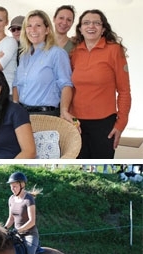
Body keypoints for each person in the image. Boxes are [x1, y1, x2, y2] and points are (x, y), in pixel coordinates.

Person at [70, 9, 131, 159]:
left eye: (96, 23)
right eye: (86, 23)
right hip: (76, 123)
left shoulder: (114, 50)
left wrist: (120, 124)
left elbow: (124, 91)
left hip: (104, 123)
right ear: (80, 29)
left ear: (103, 29)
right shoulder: (74, 52)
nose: (91, 26)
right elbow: (68, 87)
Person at [13, 10, 73, 118]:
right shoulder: (24, 56)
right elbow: (16, 84)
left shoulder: (57, 53)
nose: (33, 30)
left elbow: (66, 85)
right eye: (29, 26)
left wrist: (64, 110)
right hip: (22, 115)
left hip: (46, 115)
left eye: (38, 25)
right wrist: (15, 108)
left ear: (47, 30)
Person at [4, 172, 41, 254]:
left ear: (22, 185)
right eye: (11, 186)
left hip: (30, 234)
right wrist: (5, 229)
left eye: (14, 186)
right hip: (16, 233)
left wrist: (18, 229)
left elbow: (32, 221)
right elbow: (11, 218)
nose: (12, 188)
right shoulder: (11, 199)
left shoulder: (28, 199)